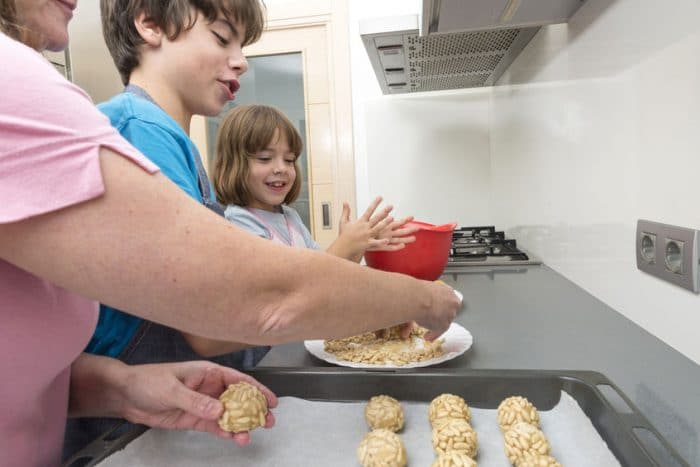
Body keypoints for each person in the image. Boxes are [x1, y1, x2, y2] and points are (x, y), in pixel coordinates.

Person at [0, 1, 460, 466]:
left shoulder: (171, 141)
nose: (240, 59)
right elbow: (245, 301)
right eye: (222, 38)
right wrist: (422, 298)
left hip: (137, 414)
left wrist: (123, 388)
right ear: (149, 24)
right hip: (120, 439)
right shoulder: (139, 129)